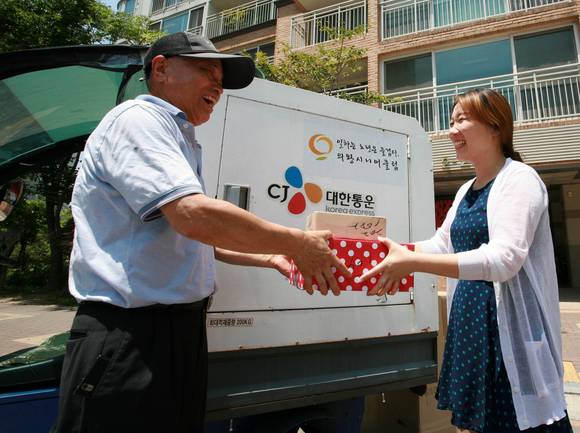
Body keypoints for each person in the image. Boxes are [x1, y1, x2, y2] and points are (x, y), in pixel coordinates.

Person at [54, 32, 349, 433]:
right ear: (161, 68)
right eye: (207, 71)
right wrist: (297, 242)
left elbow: (192, 236)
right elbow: (193, 216)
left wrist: (272, 256)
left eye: (221, 80)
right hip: (130, 335)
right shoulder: (138, 120)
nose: (217, 86)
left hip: (176, 333)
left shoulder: (179, 136)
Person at [360, 89, 573, 433]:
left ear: (495, 127)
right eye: (451, 121)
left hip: (504, 331)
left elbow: (504, 259)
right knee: (477, 424)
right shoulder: (465, 190)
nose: (451, 130)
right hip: (470, 326)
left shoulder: (520, 179)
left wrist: (411, 262)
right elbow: (441, 244)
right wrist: (393, 250)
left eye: (461, 120)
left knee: (518, 421)